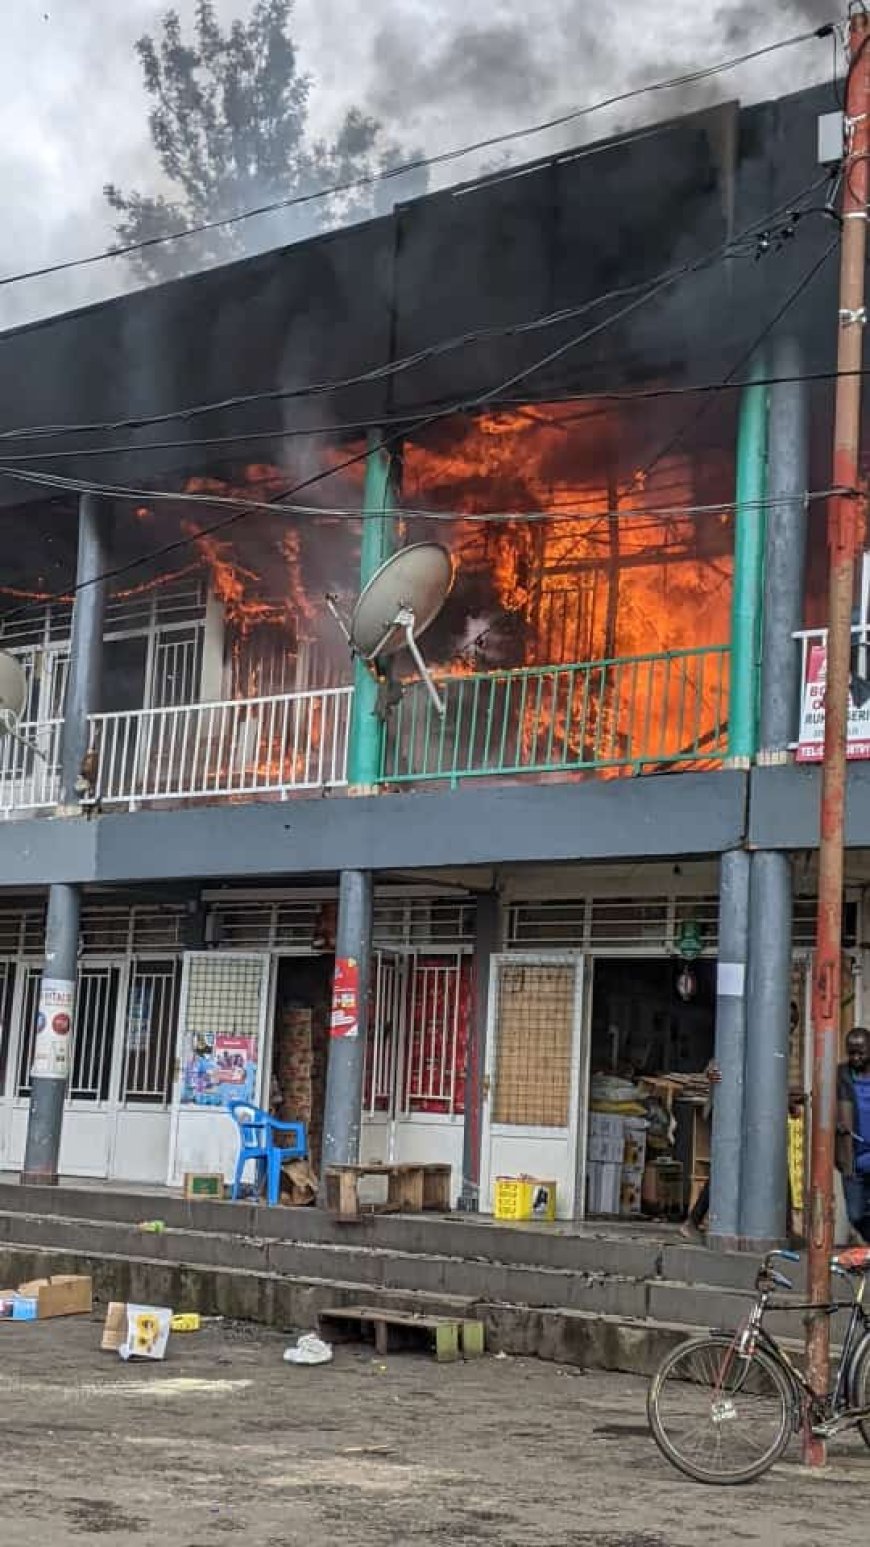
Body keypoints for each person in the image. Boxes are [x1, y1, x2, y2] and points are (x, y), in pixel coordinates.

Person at [679, 1060, 721, 1238]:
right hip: (724, 1112)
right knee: (724, 1170)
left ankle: (694, 1220)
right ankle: (693, 1220)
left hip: (734, 1114)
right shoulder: (735, 1037)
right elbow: (711, 1069)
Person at [836, 1026, 870, 1245]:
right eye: (851, 1052)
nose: (855, 1057)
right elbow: (824, 1101)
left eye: (861, 1052)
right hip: (852, 1157)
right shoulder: (841, 1075)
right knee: (856, 1214)